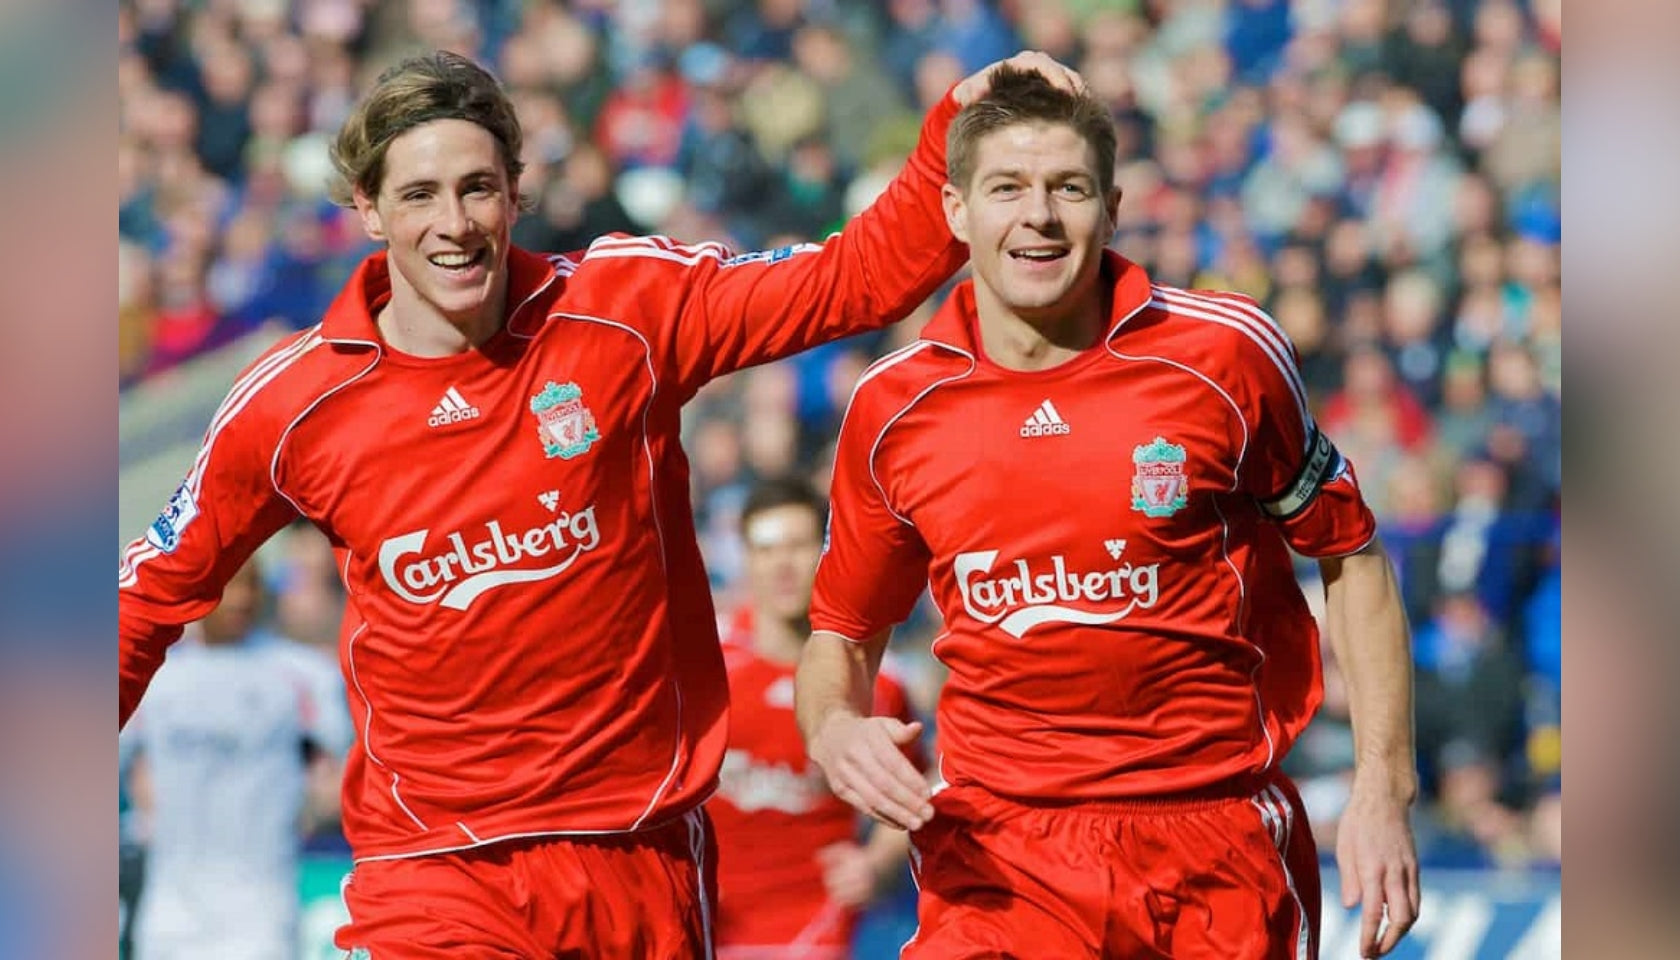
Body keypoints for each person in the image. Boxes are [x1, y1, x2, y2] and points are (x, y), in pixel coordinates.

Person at [117, 48, 1086, 958]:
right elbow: (147, 593)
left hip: (637, 854)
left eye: (477, 188)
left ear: (516, 193)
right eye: (418, 195)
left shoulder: (624, 309)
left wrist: (954, 133)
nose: (454, 223)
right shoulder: (296, 402)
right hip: (438, 870)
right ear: (368, 208)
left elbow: (851, 282)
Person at [795, 68, 1421, 960]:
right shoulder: (895, 407)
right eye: (1007, 188)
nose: (1039, 217)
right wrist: (832, 727)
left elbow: (1351, 553)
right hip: (999, 857)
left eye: (1069, 188)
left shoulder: (1224, 356)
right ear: (955, 211)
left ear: (1114, 208)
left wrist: (1382, 788)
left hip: (1212, 843)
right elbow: (841, 636)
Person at [708, 477, 928, 958]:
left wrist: (875, 863)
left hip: (820, 930)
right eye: (766, 549)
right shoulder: (705, 668)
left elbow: (918, 789)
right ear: (746, 558)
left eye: (797, 546)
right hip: (709, 923)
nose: (782, 565)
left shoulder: (876, 682)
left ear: (825, 554)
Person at [120, 560, 344, 960]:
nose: (241, 598)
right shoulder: (155, 675)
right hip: (169, 916)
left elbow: (349, 770)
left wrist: (311, 807)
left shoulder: (303, 674)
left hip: (262, 916)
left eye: (251, 585)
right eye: (230, 584)